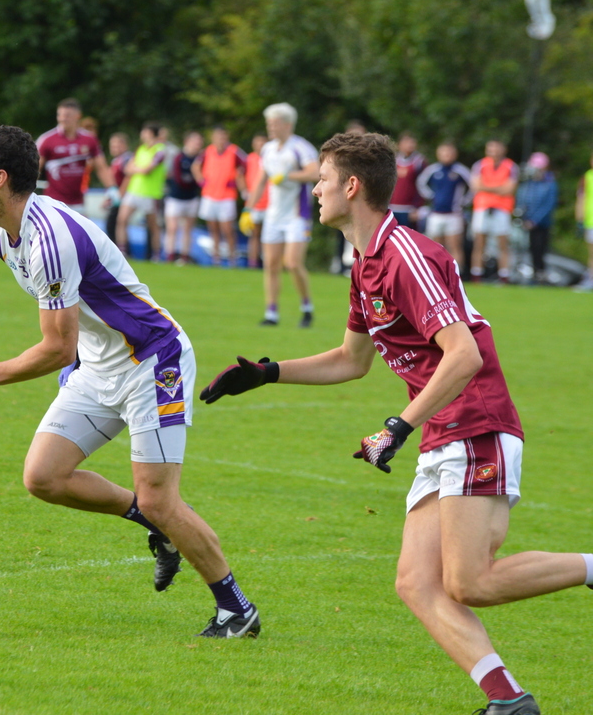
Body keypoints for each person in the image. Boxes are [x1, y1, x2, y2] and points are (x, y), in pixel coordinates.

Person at [200, 131, 593, 715]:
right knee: (415, 583)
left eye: (323, 179)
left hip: (474, 420)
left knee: (471, 582)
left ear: (352, 186)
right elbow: (350, 360)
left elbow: (465, 355)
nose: (315, 189)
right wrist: (268, 371)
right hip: (441, 427)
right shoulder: (365, 263)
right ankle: (508, 701)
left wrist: (397, 427)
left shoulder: (405, 253)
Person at [0, 124, 261, 639]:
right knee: (43, 476)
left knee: (162, 497)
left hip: (152, 361)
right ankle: (150, 523)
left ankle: (236, 609)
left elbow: (55, 345)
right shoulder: (5, 240)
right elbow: (76, 321)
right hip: (99, 364)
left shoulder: (47, 240)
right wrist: (76, 361)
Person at [245, 103, 317, 327]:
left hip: (298, 214)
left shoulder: (301, 147)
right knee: (271, 265)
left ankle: (306, 307)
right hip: (273, 215)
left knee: (293, 263)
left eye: (274, 123)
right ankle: (271, 313)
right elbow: (260, 181)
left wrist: (288, 176)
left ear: (287, 124)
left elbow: (314, 172)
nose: (271, 128)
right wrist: (248, 209)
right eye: (269, 123)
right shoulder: (267, 149)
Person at [35, 98, 117, 214]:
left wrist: (112, 189)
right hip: (53, 202)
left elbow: (101, 167)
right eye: (60, 115)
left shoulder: (89, 139)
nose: (63, 119)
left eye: (67, 115)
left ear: (78, 116)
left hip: (78, 202)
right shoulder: (47, 139)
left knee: (83, 232)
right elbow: (34, 168)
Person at [196, 126, 248, 267]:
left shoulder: (234, 151)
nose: (221, 140)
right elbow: (196, 166)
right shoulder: (208, 151)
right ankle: (216, 258)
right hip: (209, 195)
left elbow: (246, 164)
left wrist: (238, 181)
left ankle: (232, 259)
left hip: (226, 196)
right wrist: (201, 181)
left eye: (223, 136)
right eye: (218, 136)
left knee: (227, 229)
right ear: (213, 138)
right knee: (213, 228)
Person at [469, 140, 518, 284]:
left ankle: (504, 276)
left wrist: (487, 187)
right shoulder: (480, 165)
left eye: (497, 149)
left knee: (502, 244)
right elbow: (476, 186)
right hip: (482, 208)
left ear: (504, 149)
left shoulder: (510, 166)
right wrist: (498, 188)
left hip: (502, 209)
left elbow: (509, 189)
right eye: (491, 149)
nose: (494, 152)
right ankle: (476, 274)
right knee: (479, 242)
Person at [118, 123, 168, 261]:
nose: (142, 134)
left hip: (150, 194)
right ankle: (123, 251)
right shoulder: (141, 149)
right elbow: (127, 169)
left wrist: (137, 169)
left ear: (151, 133)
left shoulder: (159, 150)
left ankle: (156, 255)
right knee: (122, 220)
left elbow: (147, 170)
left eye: (144, 131)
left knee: (153, 226)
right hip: (134, 190)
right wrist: (139, 169)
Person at [416, 140, 471, 267]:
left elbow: (472, 186)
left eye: (449, 152)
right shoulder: (433, 170)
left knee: (454, 245)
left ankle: (457, 275)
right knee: (435, 246)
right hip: (436, 213)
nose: (447, 154)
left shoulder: (460, 170)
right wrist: (431, 196)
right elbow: (421, 183)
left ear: (455, 154)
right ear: (438, 153)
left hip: (454, 214)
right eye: (443, 152)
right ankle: (436, 273)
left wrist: (464, 201)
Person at [516, 152, 557, 285]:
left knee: (540, 248)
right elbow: (523, 199)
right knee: (529, 248)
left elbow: (549, 204)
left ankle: (540, 274)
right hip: (527, 222)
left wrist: (534, 220)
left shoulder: (550, 183)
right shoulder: (529, 183)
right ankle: (531, 273)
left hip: (542, 224)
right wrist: (523, 215)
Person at [163, 131, 202, 265]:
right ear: (187, 141)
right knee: (172, 228)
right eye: (194, 141)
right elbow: (179, 179)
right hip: (175, 198)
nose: (197, 145)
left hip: (191, 198)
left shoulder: (200, 159)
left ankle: (184, 256)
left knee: (187, 229)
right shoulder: (179, 157)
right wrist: (195, 180)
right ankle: (170, 255)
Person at [240, 133, 268, 269]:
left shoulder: (271, 158)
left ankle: (269, 263)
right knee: (255, 235)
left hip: (270, 203)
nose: (260, 145)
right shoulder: (249, 159)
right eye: (258, 142)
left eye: (263, 142)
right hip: (255, 203)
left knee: (269, 236)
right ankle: (253, 262)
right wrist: (244, 190)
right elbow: (239, 174)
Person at [103, 131, 132, 247]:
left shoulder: (126, 159)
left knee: (115, 223)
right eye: (112, 146)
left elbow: (128, 177)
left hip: (123, 197)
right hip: (116, 196)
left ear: (124, 146)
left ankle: (121, 249)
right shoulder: (115, 160)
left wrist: (120, 195)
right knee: (112, 223)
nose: (114, 148)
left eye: (117, 145)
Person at [392, 131, 426, 228]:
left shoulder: (419, 162)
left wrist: (417, 207)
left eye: (412, 142)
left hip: (410, 210)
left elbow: (422, 186)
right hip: (392, 208)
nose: (410, 145)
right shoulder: (392, 161)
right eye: (406, 142)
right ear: (399, 144)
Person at [576, 152, 593, 291]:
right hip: (590, 221)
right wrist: (579, 219)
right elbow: (581, 199)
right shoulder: (586, 177)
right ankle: (590, 280)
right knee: (591, 254)